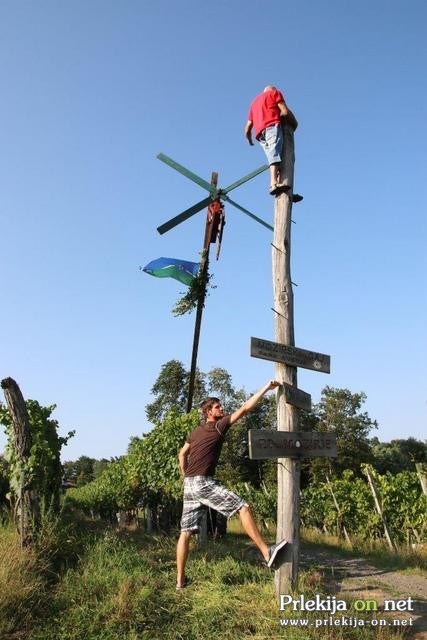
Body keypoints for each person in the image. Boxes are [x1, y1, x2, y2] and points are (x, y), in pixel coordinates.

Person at [176, 379, 288, 589]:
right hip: (202, 482)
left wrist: (186, 476)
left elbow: (182, 455)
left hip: (190, 484)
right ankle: (267, 552)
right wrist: (266, 387)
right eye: (218, 407)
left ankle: (180, 581)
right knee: (243, 507)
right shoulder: (219, 426)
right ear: (209, 412)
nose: (222, 409)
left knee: (185, 533)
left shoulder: (195, 432)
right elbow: (245, 408)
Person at [245, 85, 298, 195]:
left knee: (273, 154)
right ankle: (273, 183)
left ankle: (279, 181)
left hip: (259, 134)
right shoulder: (274, 93)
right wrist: (295, 124)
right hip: (271, 125)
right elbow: (285, 111)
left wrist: (249, 139)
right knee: (275, 153)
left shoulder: (254, 103)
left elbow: (248, 127)